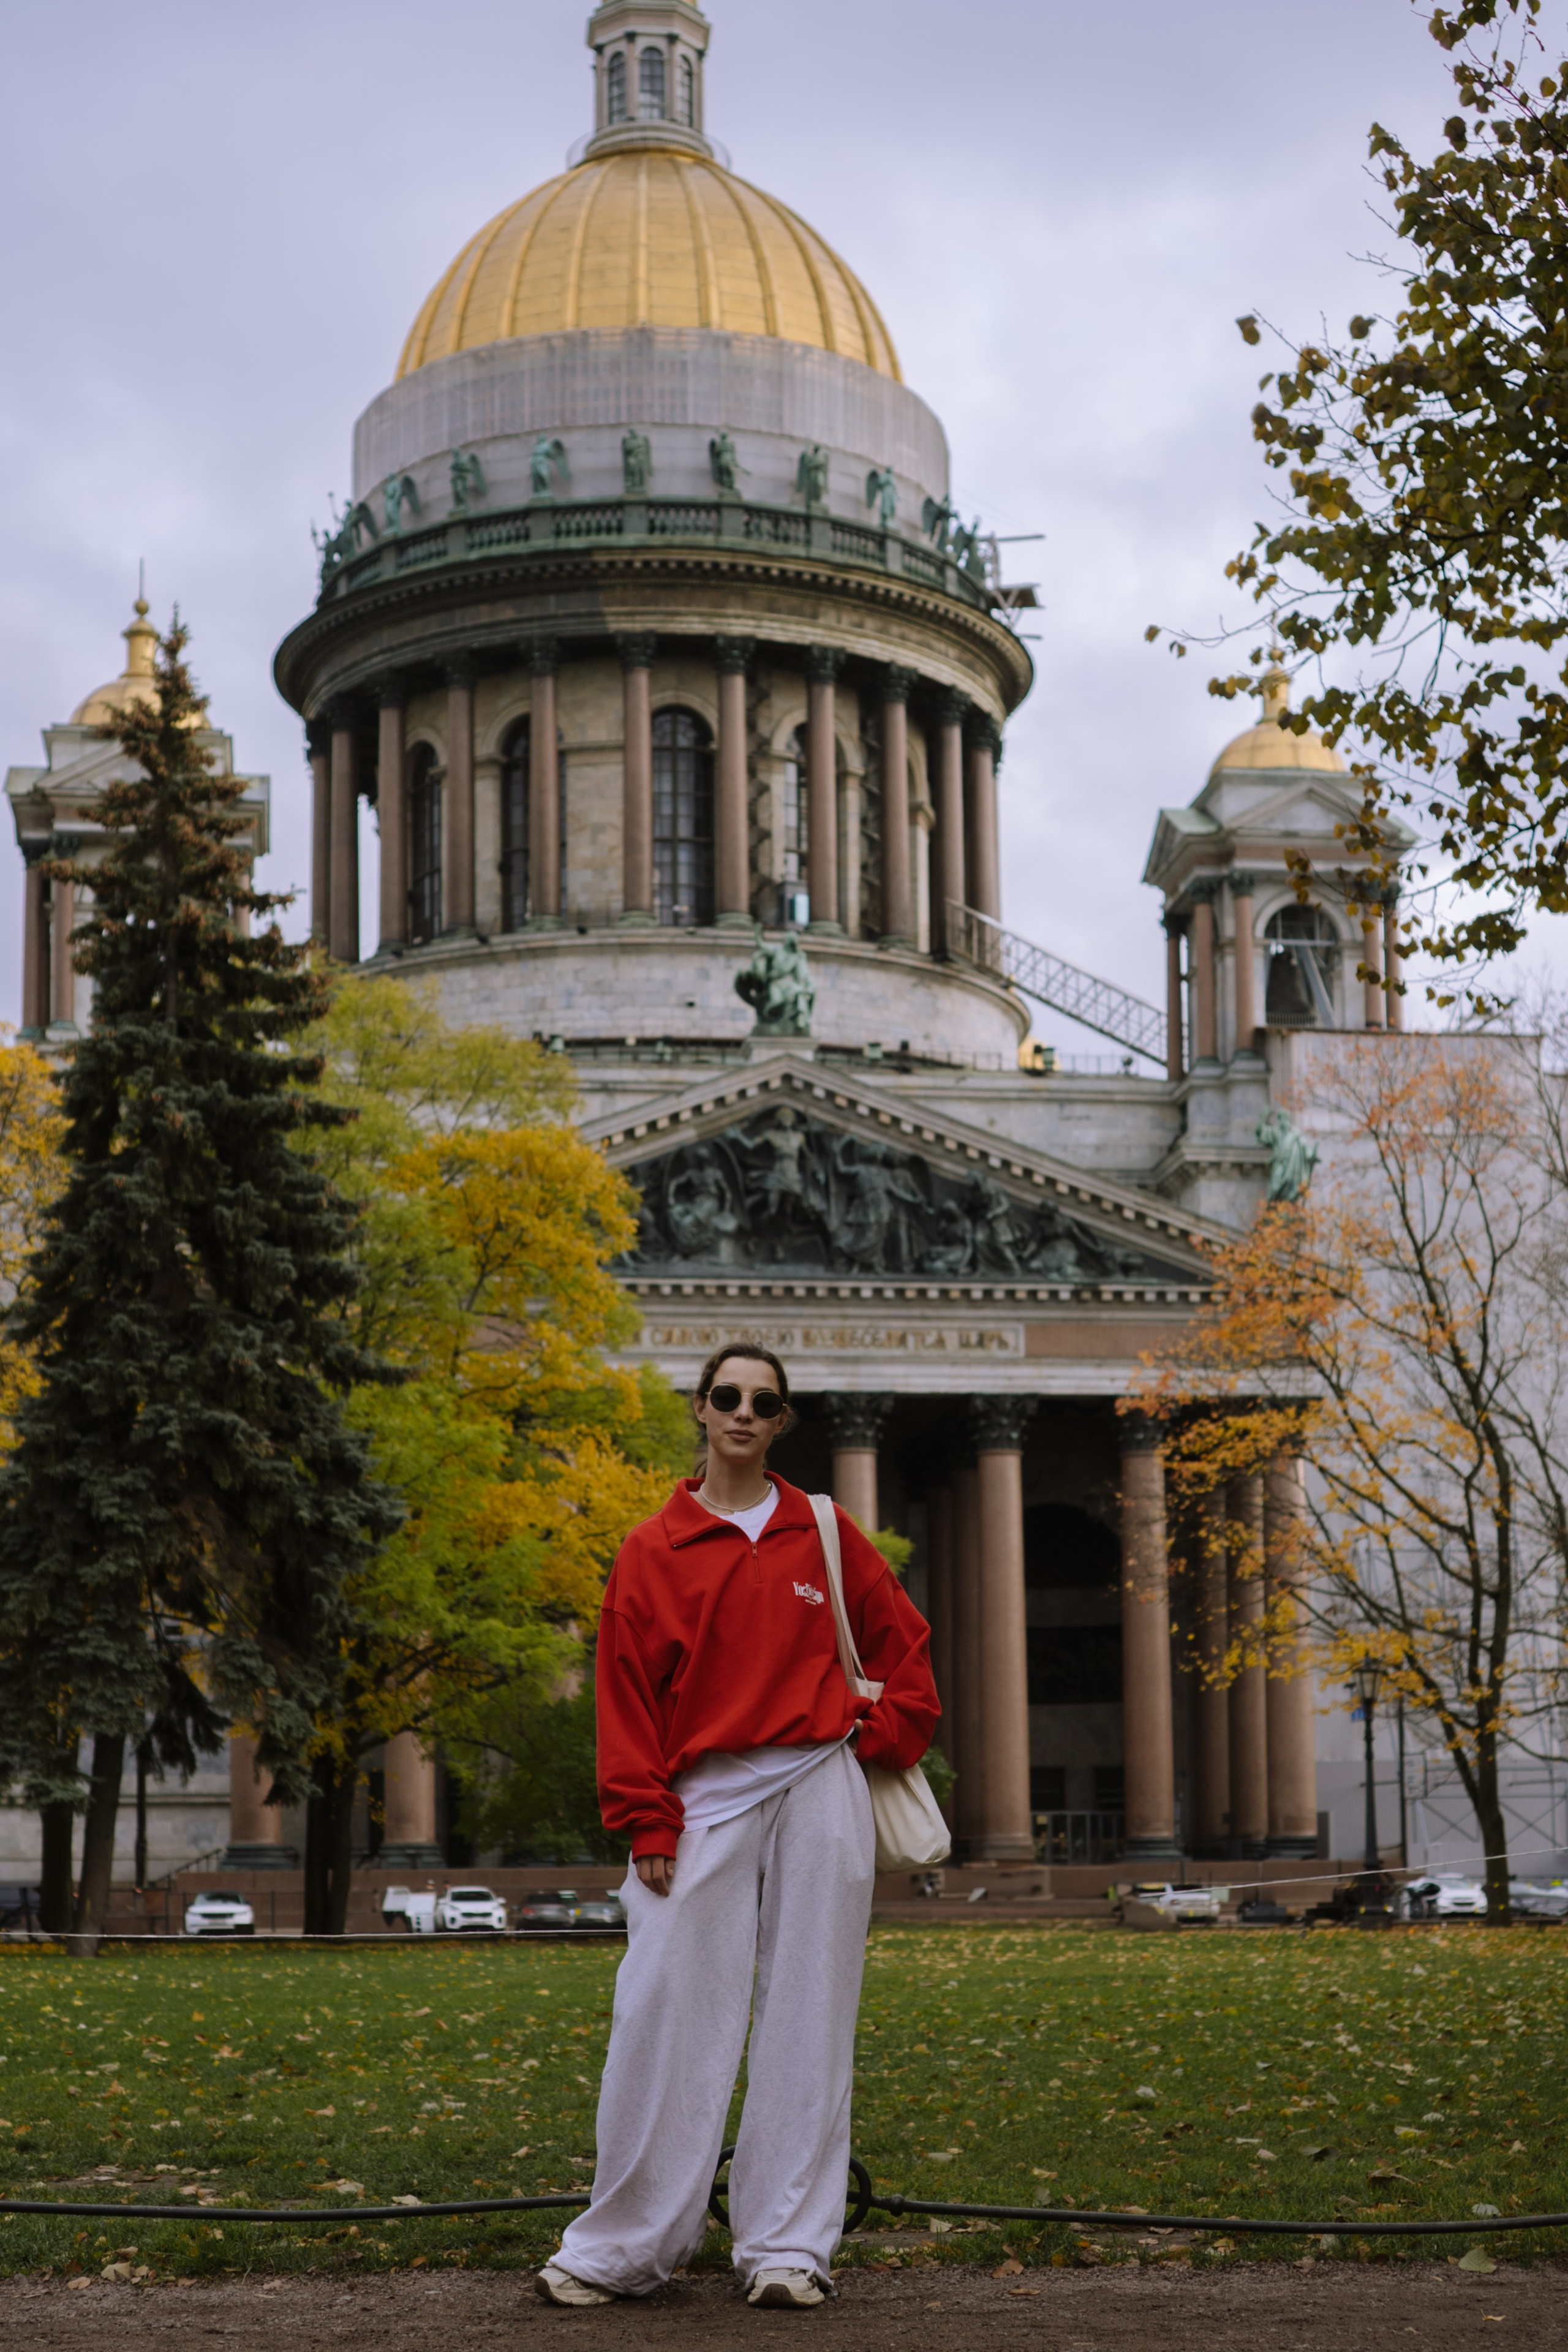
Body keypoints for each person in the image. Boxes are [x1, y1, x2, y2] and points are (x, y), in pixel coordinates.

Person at [537, 1343, 938, 2311]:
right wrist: (646, 1821)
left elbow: (907, 1652)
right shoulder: (653, 1547)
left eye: (763, 1401)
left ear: (782, 1420)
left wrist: (872, 1733)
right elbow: (625, 1696)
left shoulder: (824, 1531)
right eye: (728, 1397)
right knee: (662, 2013)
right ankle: (624, 2248)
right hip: (700, 1800)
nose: (744, 1413)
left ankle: (787, 2248)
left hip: (819, 1787)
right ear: (701, 1410)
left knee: (811, 2016)